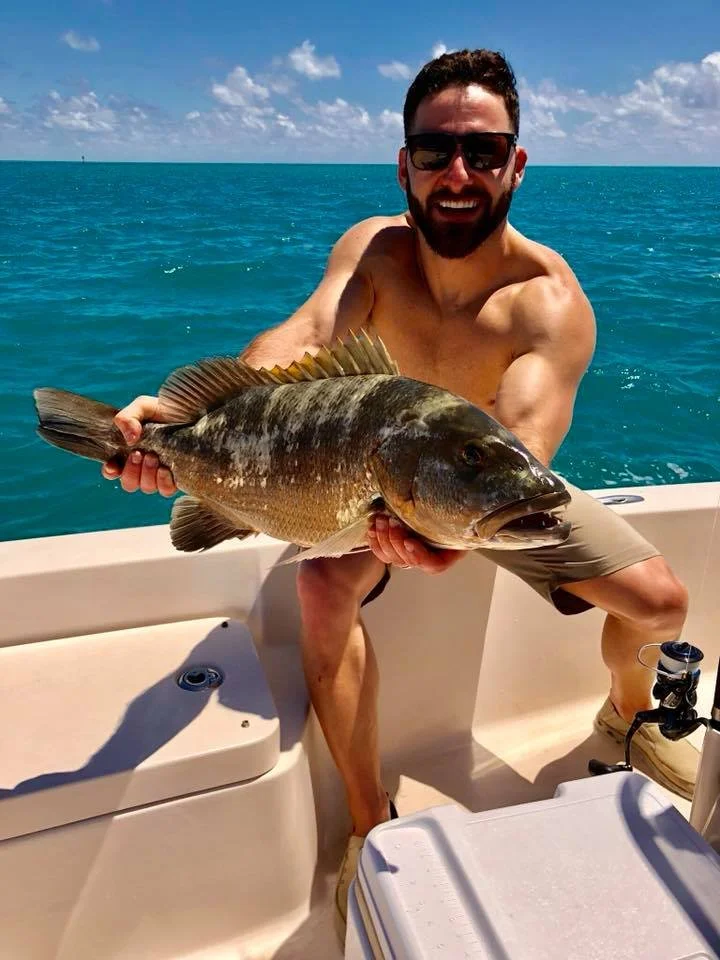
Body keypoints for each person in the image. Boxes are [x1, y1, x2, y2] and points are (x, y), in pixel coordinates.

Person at [102, 49, 696, 939]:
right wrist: (182, 423)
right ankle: (371, 823)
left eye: (484, 152)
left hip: (481, 481)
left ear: (517, 164)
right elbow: (300, 343)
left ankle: (628, 713)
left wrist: (451, 536)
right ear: (404, 164)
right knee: (318, 586)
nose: (458, 174)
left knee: (662, 603)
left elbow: (523, 446)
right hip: (358, 481)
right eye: (435, 151)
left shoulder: (549, 303)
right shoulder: (375, 252)